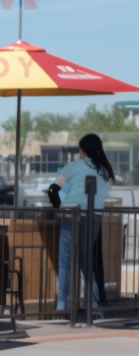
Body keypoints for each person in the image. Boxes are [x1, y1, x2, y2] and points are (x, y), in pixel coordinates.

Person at [48, 133, 114, 311]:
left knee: (64, 262)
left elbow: (52, 190)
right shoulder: (105, 171)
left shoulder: (73, 166)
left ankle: (63, 305)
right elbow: (101, 195)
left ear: (82, 151)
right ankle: (93, 305)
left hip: (71, 215)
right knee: (86, 262)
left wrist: (59, 208)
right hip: (94, 217)